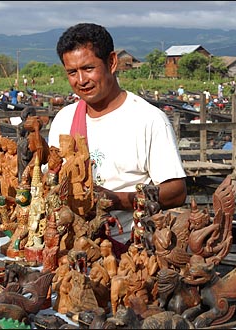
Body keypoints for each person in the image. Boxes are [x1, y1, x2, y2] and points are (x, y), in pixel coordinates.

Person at [48, 23, 187, 245]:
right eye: (72, 72)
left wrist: (116, 200)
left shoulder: (148, 119)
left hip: (127, 246)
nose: (81, 80)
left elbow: (176, 192)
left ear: (112, 62)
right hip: (74, 245)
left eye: (89, 68)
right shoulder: (64, 120)